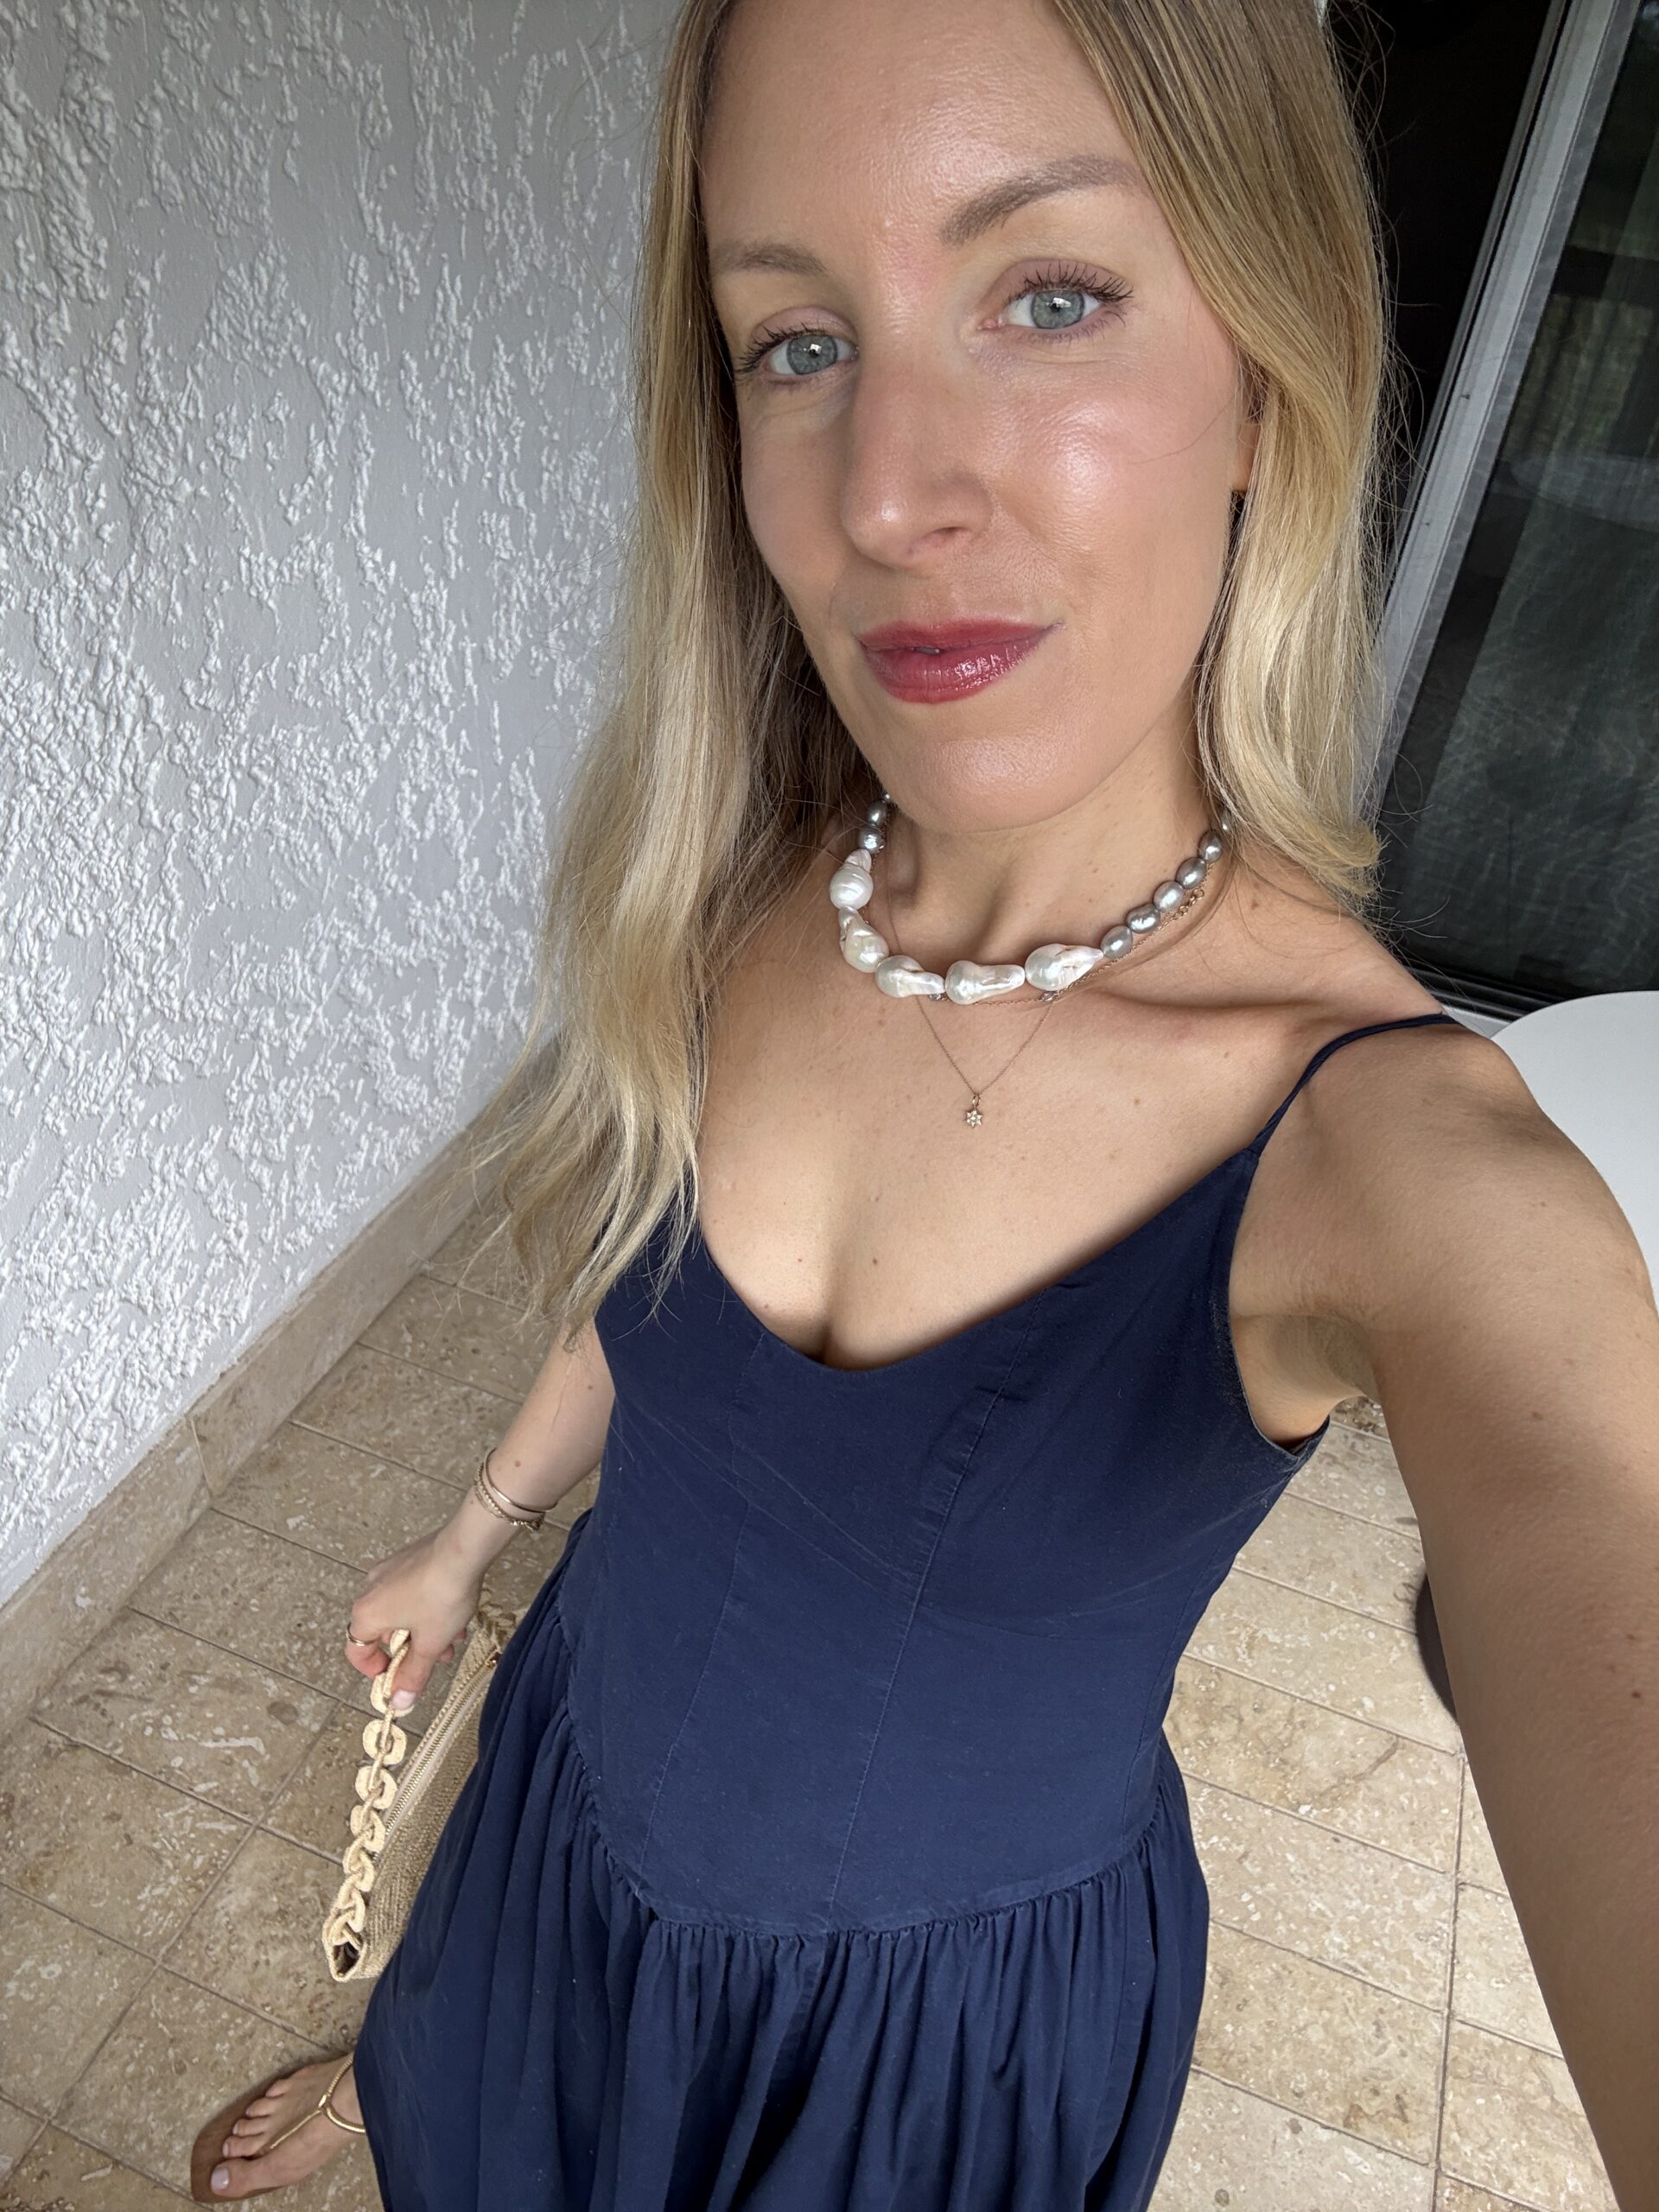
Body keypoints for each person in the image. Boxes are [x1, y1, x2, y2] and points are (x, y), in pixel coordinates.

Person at [190, 0, 1659, 2204]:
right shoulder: (765, 880)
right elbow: (659, 1311)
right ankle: (416, 2064)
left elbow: (1587, 1529)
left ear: (1270, 368)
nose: (886, 493)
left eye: (1047, 295)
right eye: (795, 342)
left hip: (889, 2077)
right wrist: (472, 1533)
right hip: (555, 1826)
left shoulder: (1396, 1159)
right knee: (457, 2107)